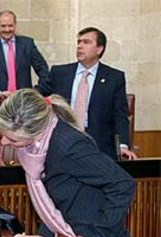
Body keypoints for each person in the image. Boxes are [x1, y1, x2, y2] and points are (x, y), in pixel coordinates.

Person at [0, 88, 135, 237]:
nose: (3, 142)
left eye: (12, 139)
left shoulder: (68, 145)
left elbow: (123, 184)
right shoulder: (40, 145)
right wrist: (46, 236)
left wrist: (96, 236)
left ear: (35, 133)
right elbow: (54, 198)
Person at [49, 27, 137, 160]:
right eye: (78, 42)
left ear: (99, 49)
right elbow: (39, 96)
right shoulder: (59, 73)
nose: (80, 46)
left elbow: (120, 115)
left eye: (86, 42)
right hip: (63, 143)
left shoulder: (114, 78)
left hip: (99, 147)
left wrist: (122, 146)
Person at [0, 10, 50, 117]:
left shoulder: (27, 44)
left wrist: (36, 92)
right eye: (3, 26)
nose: (7, 29)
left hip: (24, 104)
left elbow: (42, 68)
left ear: (15, 25)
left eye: (10, 26)